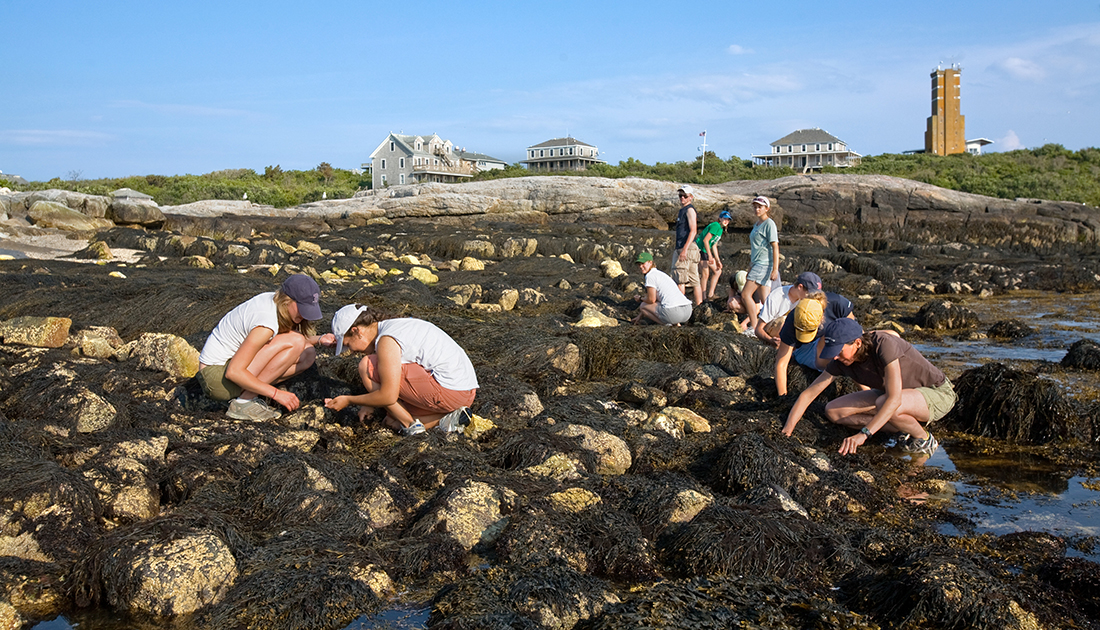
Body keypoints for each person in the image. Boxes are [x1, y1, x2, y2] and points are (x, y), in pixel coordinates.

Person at [782, 318, 956, 458]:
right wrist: (787, 431)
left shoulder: (882, 344)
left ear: (857, 343)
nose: (834, 357)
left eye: (839, 350)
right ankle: (901, 427)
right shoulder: (841, 361)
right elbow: (808, 395)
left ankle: (924, 438)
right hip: (895, 395)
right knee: (833, 411)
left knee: (885, 403)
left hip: (936, 392)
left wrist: (864, 434)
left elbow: (894, 399)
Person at [323, 305, 479, 436]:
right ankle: (445, 420)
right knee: (390, 420)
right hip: (466, 392)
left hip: (450, 392)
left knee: (366, 366)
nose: (352, 351)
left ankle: (411, 425)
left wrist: (349, 400)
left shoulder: (387, 339)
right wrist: (371, 403)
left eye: (349, 345)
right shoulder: (396, 325)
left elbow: (388, 396)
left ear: (357, 331)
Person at [197, 274, 334, 421]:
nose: (305, 314)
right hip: (217, 379)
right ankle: (243, 402)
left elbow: (281, 341)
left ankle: (247, 395)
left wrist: (319, 339)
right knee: (297, 341)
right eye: (302, 307)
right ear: (288, 300)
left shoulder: (273, 301)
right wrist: (276, 393)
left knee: (308, 354)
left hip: (224, 371)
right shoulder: (265, 323)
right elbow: (233, 372)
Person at [774, 289, 856, 396]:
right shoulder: (792, 319)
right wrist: (783, 398)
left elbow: (854, 331)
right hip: (806, 351)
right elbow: (781, 364)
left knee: (840, 335)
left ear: (821, 318)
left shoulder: (837, 303)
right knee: (830, 336)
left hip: (834, 343)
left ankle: (869, 392)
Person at [741, 196, 780, 331]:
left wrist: (775, 268)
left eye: (760, 207)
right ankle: (772, 327)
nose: (757, 209)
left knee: (746, 294)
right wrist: (750, 265)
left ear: (767, 209)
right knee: (766, 301)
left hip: (764, 264)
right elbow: (756, 247)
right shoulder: (756, 224)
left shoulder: (769, 224)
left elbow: (775, 246)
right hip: (756, 263)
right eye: (755, 206)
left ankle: (754, 326)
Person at [753, 271, 822, 346]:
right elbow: (758, 329)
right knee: (784, 321)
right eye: (810, 293)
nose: (812, 296)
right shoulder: (777, 296)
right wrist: (770, 340)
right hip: (774, 331)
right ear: (800, 287)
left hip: (795, 335)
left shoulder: (808, 301)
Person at [633, 251, 693, 326]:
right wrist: (639, 317)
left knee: (642, 306)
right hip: (687, 311)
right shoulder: (661, 274)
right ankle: (677, 324)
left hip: (675, 313)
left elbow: (651, 300)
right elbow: (656, 300)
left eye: (643, 264)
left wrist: (640, 299)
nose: (641, 266)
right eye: (639, 264)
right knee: (660, 303)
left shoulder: (650, 276)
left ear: (650, 263)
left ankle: (667, 325)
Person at [671, 185, 703, 306]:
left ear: (691, 197)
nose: (682, 198)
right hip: (688, 248)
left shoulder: (689, 210)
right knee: (694, 279)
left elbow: (693, 230)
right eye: (680, 196)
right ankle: (699, 305)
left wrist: (684, 250)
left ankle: (681, 305)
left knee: (680, 278)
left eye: (685, 196)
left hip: (686, 247)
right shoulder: (683, 210)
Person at [696, 210, 731, 300]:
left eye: (728, 219)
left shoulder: (720, 229)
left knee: (717, 271)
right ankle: (703, 297)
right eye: (724, 219)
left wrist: (718, 260)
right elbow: (705, 240)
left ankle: (710, 294)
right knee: (705, 274)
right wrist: (710, 256)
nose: (726, 221)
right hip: (700, 249)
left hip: (705, 251)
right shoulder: (716, 225)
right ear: (720, 218)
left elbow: (714, 245)